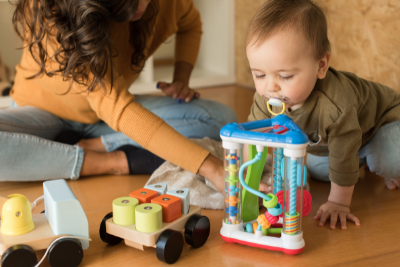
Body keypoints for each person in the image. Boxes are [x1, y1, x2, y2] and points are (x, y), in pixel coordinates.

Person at [0, 0, 239, 194]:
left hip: (104, 121)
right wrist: (212, 168)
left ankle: (89, 147)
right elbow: (117, 107)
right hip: (42, 112)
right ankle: (107, 162)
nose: (138, 7)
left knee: (220, 118)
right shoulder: (54, 9)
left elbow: (190, 24)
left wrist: (181, 79)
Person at [245, 0, 400, 229]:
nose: (271, 88)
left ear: (321, 66)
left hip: (383, 121)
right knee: (319, 172)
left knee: (386, 160)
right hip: (335, 140)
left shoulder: (336, 104)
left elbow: (344, 149)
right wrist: (250, 183)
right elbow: (252, 138)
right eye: (259, 75)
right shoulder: (266, 98)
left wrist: (338, 202)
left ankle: (377, 160)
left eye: (285, 76)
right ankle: (363, 160)